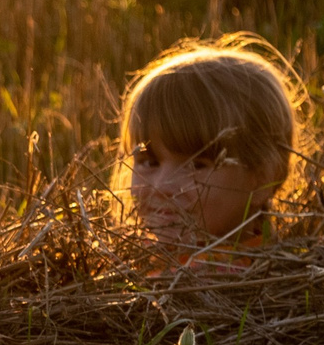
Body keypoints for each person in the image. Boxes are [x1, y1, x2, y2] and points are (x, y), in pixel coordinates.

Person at [115, 35, 305, 263]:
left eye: (196, 165)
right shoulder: (139, 262)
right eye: (149, 162)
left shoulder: (235, 283)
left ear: (262, 179)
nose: (162, 186)